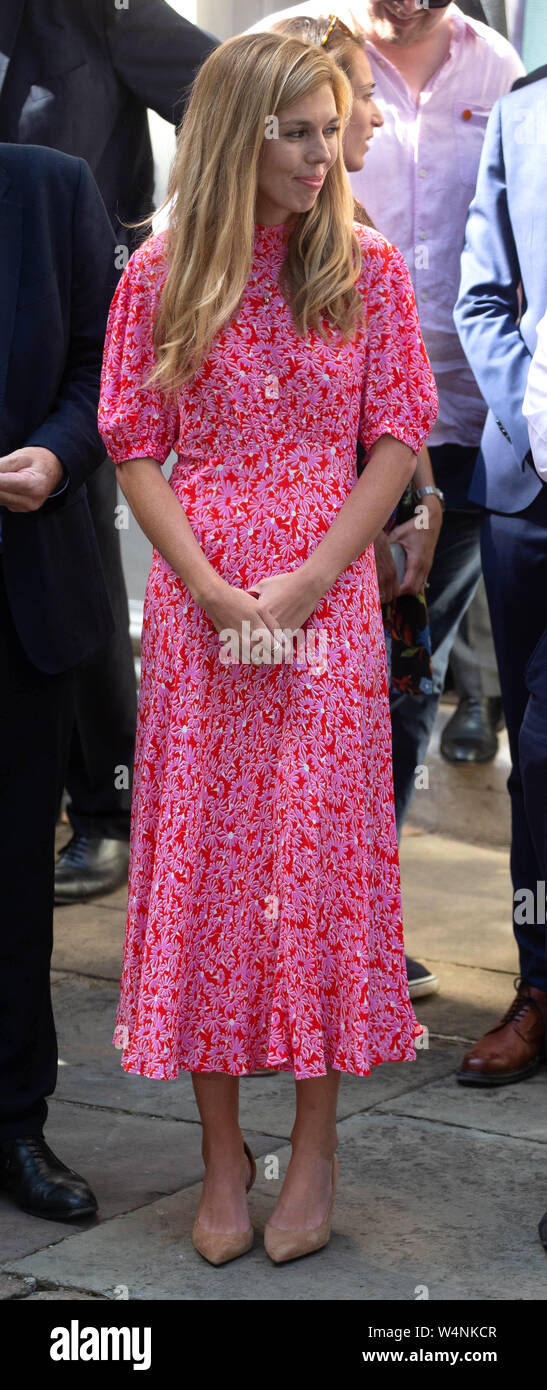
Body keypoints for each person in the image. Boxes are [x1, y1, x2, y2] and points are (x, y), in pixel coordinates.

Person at [98, 31, 437, 1267]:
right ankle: (221, 1155)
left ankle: (320, 1141)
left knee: (319, 867)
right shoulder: (161, 270)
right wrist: (208, 589)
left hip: (324, 604)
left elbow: (398, 437)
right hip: (202, 616)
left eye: (329, 125)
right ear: (239, 133)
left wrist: (303, 584)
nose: (320, 153)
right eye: (296, 129)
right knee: (205, 875)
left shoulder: (371, 270)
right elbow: (135, 442)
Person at [0, 0, 219, 902]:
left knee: (71, 584)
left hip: (65, 356)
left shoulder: (90, 10)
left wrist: (161, 254)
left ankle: (105, 810)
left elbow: (229, 98)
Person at [268, 12, 444, 1001]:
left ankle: (348, 940)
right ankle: (320, 948)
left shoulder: (359, 247)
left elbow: (396, 412)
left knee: (374, 736)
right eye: (351, 99)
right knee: (332, 759)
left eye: (356, 107)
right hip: (315, 556)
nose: (369, 117)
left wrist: (419, 505)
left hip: (354, 548)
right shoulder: (327, 243)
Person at [0, 143, 117, 1219]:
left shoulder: (49, 186)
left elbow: (105, 362)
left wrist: (55, 452)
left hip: (19, 592)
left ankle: (15, 1125)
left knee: (13, 885)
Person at [454, 65, 547, 1087]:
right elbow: (481, 295)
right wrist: (534, 424)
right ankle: (537, 984)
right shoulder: (525, 110)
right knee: (535, 767)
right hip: (528, 488)